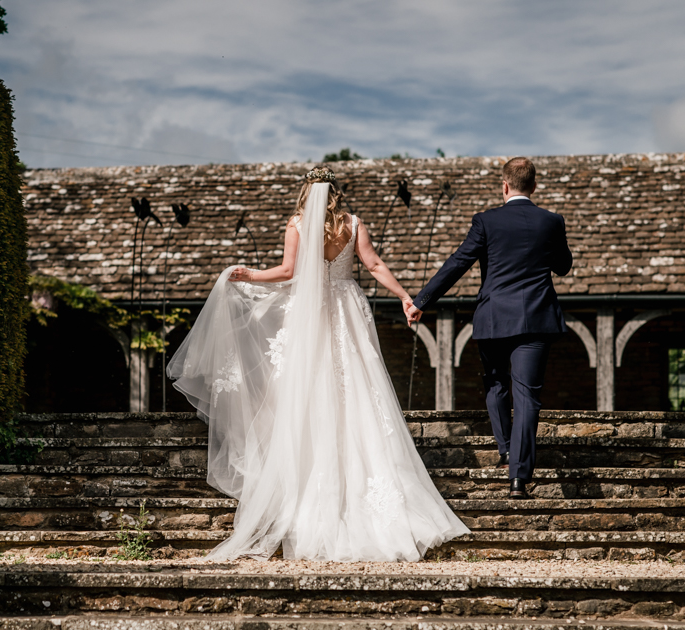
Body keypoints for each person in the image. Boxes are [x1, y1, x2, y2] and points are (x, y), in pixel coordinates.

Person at [167, 167, 469, 561]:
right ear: (336, 194)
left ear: (307, 193)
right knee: (358, 391)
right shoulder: (354, 223)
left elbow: (289, 272)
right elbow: (374, 266)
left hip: (310, 313)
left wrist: (250, 275)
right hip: (346, 309)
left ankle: (309, 489)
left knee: (306, 393)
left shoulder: (297, 224)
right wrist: (405, 297)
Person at [406, 157, 572, 500]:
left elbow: (458, 263)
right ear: (534, 186)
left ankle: (507, 449)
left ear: (505, 185)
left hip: (494, 317)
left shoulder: (487, 221)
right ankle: (518, 480)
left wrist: (422, 300)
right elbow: (564, 267)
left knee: (495, 385)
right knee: (528, 398)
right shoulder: (552, 221)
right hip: (536, 317)